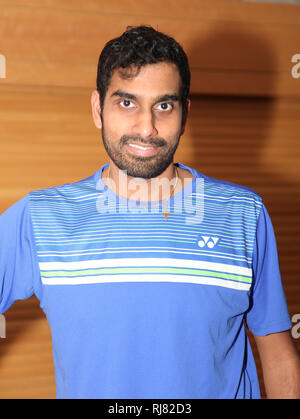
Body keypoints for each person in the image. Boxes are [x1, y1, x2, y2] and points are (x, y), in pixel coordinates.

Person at [0, 25, 299, 400]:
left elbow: (277, 353)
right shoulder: (41, 218)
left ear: (185, 114)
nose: (147, 127)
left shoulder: (243, 213)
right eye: (127, 102)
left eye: (164, 105)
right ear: (98, 109)